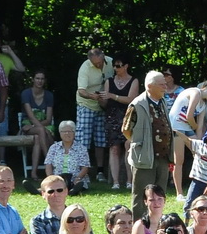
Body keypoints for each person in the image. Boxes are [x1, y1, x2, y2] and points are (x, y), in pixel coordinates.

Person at [123, 71, 174, 222]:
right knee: (142, 195)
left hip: (163, 158)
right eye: (162, 84)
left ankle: (156, 224)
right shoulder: (137, 104)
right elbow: (126, 129)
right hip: (144, 158)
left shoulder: (162, 101)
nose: (165, 86)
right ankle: (139, 228)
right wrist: (140, 143)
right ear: (150, 86)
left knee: (159, 195)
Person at [99, 56, 140, 190]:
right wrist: (100, 99)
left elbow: (131, 99)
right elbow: (105, 103)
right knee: (114, 148)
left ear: (126, 66)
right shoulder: (109, 82)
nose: (116, 68)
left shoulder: (134, 81)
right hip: (111, 117)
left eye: (119, 65)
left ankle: (130, 181)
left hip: (128, 117)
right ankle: (115, 182)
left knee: (129, 146)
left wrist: (113, 96)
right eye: (114, 66)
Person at [20, 69, 56, 169]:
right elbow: (30, 116)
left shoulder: (49, 95)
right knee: (41, 130)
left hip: (43, 125)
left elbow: (48, 119)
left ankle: (33, 172)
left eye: (42, 79)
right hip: (28, 125)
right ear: (33, 80)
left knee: (38, 136)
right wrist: (44, 130)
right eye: (37, 78)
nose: (40, 81)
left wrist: (41, 129)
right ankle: (50, 164)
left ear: (45, 81)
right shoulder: (26, 93)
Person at [43, 119, 92, 193]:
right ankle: (40, 190)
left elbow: (85, 167)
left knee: (77, 184)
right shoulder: (54, 147)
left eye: (70, 131)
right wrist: (50, 177)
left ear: (74, 133)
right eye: (64, 131)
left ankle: (73, 190)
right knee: (53, 185)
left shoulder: (81, 148)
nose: (67, 133)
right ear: (60, 133)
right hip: (57, 180)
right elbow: (48, 164)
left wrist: (78, 178)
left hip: (75, 180)